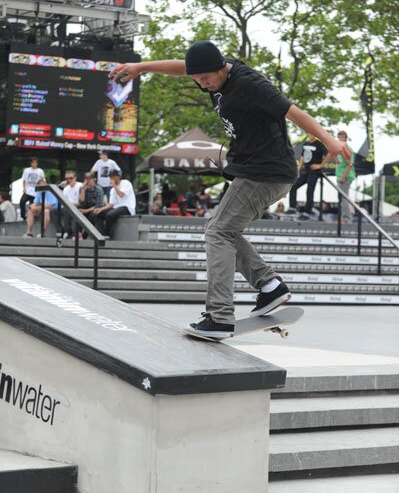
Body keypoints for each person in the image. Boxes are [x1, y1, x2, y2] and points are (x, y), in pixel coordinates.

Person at [110, 40, 351, 339]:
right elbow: (179, 67)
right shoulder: (208, 73)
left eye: (207, 79)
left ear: (220, 67)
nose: (203, 85)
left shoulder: (251, 84)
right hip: (257, 171)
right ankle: (269, 286)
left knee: (218, 232)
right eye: (197, 80)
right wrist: (141, 67)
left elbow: (294, 112)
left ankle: (220, 316)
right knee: (222, 229)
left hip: (267, 172)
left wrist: (329, 140)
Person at [287, 133, 330, 219]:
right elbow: (303, 157)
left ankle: (307, 213)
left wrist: (320, 165)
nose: (311, 135)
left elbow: (328, 154)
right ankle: (292, 208)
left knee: (309, 191)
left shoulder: (319, 144)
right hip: (305, 170)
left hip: (314, 171)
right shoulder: (305, 144)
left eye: (312, 133)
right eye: (309, 133)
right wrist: (299, 168)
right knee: (293, 186)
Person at [92, 170, 136, 237]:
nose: (111, 179)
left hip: (127, 207)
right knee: (97, 214)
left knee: (110, 214)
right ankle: (100, 233)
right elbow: (111, 204)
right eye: (110, 177)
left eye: (113, 177)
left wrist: (114, 185)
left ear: (118, 177)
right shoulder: (112, 190)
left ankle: (107, 234)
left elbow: (121, 194)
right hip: (117, 208)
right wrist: (100, 209)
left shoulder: (126, 183)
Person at [335, 130, 356, 222]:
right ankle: (345, 216)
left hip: (345, 177)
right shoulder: (339, 149)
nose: (340, 139)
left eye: (342, 137)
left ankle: (346, 218)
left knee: (344, 198)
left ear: (346, 139)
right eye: (339, 137)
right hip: (340, 177)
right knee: (341, 198)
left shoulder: (348, 149)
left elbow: (350, 164)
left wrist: (343, 176)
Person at [78, 173, 104, 237]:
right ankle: (78, 234)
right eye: (86, 179)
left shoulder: (98, 189)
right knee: (77, 213)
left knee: (93, 215)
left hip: (95, 208)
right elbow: (82, 202)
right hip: (85, 207)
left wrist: (86, 210)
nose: (88, 181)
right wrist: (83, 190)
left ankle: (85, 235)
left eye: (90, 179)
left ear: (93, 180)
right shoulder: (82, 188)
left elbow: (99, 205)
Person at [62, 171, 83, 238]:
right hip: (68, 207)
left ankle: (72, 232)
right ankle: (64, 231)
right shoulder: (65, 188)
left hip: (79, 206)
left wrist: (70, 204)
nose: (69, 180)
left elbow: (81, 201)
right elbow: (64, 200)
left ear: (75, 178)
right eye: (67, 178)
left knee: (69, 209)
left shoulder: (80, 186)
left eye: (71, 178)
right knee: (53, 211)